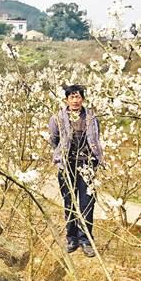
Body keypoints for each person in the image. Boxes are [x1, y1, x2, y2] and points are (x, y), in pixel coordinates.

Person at [48, 84, 103, 257]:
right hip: (67, 164)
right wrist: (62, 154)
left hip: (87, 163)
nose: (75, 100)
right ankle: (72, 238)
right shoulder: (57, 118)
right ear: (66, 100)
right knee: (69, 202)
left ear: (83, 99)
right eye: (71, 97)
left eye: (78, 97)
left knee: (87, 202)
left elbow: (95, 138)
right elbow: (54, 139)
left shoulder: (91, 117)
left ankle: (86, 239)